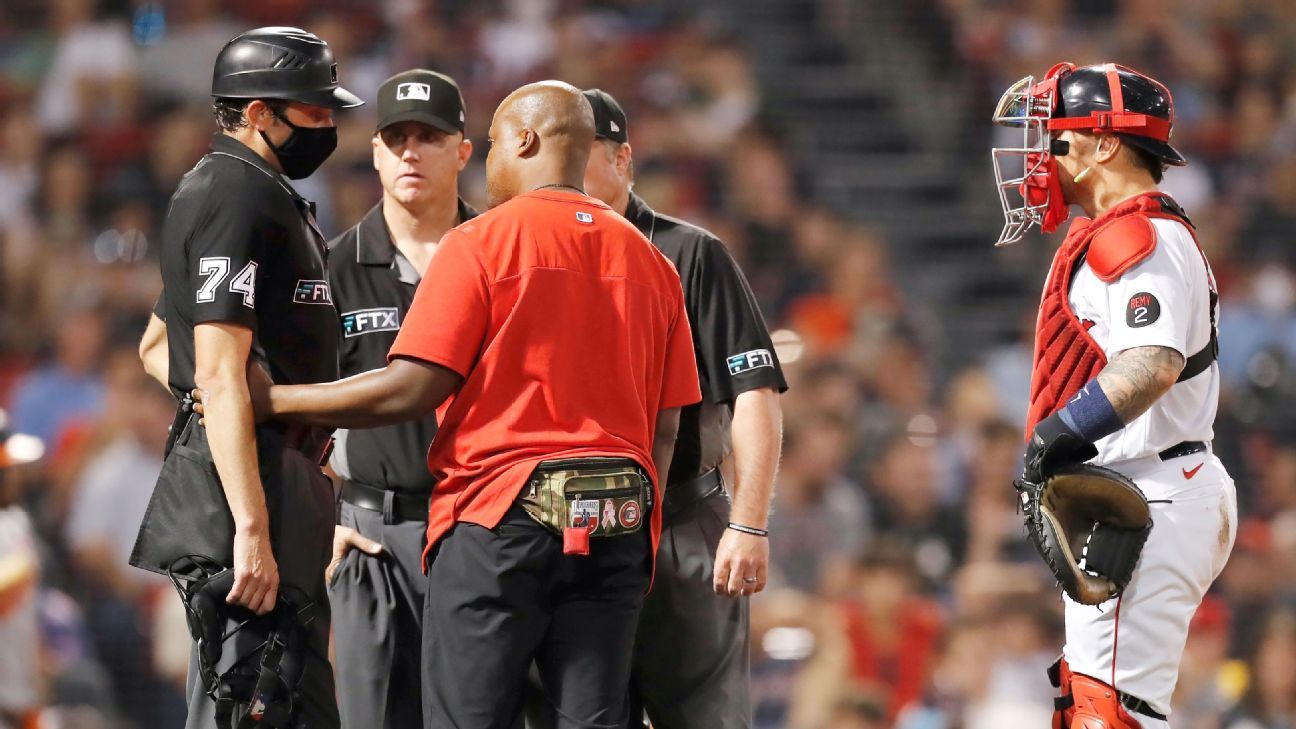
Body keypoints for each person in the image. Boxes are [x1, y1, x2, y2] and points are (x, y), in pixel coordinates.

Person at [195, 80, 702, 729]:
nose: (490, 162)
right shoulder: (652, 262)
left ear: (523, 141)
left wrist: (273, 400)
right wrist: (637, 527)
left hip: (496, 521)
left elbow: (414, 384)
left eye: (491, 145)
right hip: (614, 525)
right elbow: (667, 420)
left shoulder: (483, 241)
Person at [991, 62, 1236, 728]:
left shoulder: (1140, 238)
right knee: (1091, 700)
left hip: (1152, 491)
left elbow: (1152, 362)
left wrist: (1058, 432)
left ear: (1105, 143)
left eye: (1056, 135)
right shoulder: (1116, 231)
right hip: (1144, 486)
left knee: (1109, 713)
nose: (1040, 155)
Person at [134, 26, 361, 729]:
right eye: (315, 109)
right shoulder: (233, 191)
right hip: (249, 490)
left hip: (274, 471)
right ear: (260, 112)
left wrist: (220, 397)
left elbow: (153, 343)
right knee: (250, 697)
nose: (328, 124)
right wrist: (252, 525)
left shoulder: (255, 189)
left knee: (293, 700)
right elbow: (216, 371)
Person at [581, 88, 786, 729]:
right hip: (572, 524)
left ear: (622, 160)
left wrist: (748, 523)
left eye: (579, 152)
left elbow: (753, 392)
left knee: (704, 717)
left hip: (682, 519)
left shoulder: (690, 252)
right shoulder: (532, 254)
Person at [324, 68, 476, 729]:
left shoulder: (502, 259)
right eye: (397, 137)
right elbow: (291, 405)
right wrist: (319, 519)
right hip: (370, 537)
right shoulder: (332, 265)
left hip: (480, 533)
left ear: (463, 151)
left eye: (430, 136)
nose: (412, 151)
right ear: (377, 152)